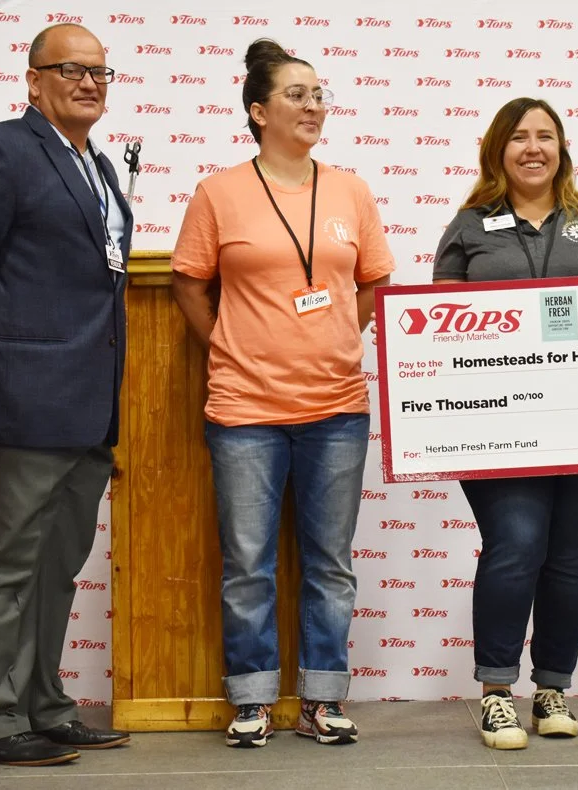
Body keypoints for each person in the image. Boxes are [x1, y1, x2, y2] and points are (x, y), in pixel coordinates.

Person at [0, 23, 133, 766]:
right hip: (20, 395)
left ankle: (45, 703)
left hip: (87, 403)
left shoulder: (97, 167)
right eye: (70, 69)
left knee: (56, 565)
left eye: (101, 73)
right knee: (7, 560)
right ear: (33, 79)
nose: (88, 83)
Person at [170, 38, 394, 748]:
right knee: (248, 564)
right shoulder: (218, 192)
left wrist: (331, 333)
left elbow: (374, 282)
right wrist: (232, 345)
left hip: (336, 407)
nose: (313, 105)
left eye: (320, 93)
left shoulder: (351, 190)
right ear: (258, 109)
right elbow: (188, 282)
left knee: (330, 563)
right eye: (296, 94)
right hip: (244, 412)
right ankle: (253, 699)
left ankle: (324, 700)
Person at [431, 97, 578, 750]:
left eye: (545, 136)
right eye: (518, 137)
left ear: (562, 149)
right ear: (498, 150)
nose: (532, 148)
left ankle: (552, 687)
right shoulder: (468, 227)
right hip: (497, 425)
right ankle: (497, 692)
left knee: (571, 557)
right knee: (517, 542)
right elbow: (436, 331)